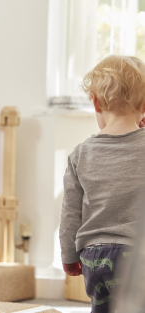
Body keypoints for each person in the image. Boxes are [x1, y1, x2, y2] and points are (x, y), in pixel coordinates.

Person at [59, 55, 145, 313]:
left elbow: (70, 212)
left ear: (95, 102)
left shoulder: (81, 154)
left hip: (94, 256)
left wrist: (68, 256)